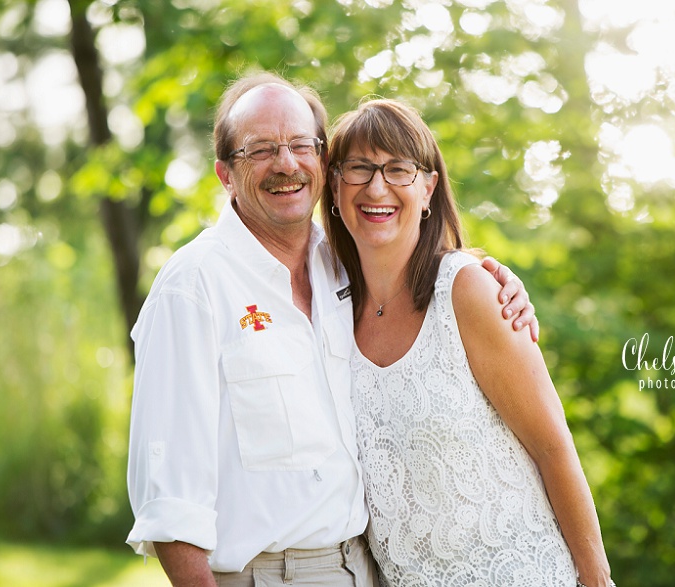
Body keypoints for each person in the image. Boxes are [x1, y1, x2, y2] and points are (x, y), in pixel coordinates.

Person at [126, 72, 537, 586]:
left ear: (323, 162)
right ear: (224, 174)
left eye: (302, 145)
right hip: (263, 575)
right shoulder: (193, 287)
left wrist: (489, 275)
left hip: (365, 569)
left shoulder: (343, 267)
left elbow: (417, 268)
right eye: (260, 150)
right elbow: (170, 502)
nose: (286, 164)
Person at [322, 98, 613, 587]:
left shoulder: (468, 291)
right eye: (359, 169)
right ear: (334, 185)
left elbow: (552, 447)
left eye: (398, 169)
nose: (377, 187)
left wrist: (598, 581)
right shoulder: (329, 309)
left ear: (428, 187)